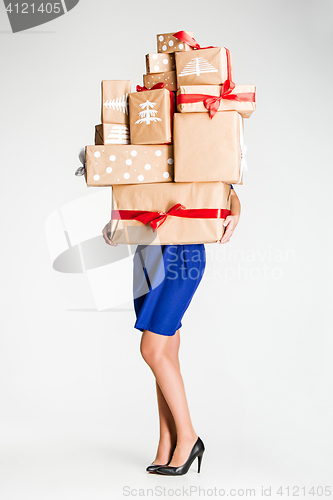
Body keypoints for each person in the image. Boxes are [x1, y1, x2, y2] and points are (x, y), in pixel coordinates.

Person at [102, 185, 241, 476]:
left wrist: (236, 214)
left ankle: (189, 438)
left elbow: (224, 187)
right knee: (166, 352)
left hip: (182, 251)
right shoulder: (150, 149)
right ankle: (168, 439)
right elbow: (139, 192)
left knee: (151, 350)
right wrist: (120, 222)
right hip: (148, 252)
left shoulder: (195, 146)